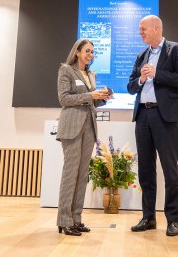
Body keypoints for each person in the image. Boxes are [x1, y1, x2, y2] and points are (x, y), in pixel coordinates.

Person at [127, 15, 178, 236]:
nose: (140, 32)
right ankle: (148, 217)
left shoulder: (175, 49)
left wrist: (157, 74)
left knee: (170, 170)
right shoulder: (141, 55)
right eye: (139, 29)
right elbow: (130, 86)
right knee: (145, 170)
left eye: (143, 29)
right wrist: (142, 80)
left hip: (166, 118)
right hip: (143, 116)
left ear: (156, 28)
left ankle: (172, 220)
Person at [56, 39, 111, 236]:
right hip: (71, 127)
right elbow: (64, 99)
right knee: (70, 174)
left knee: (82, 176)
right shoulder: (66, 70)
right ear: (77, 52)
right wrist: (91, 96)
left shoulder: (91, 74)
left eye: (92, 52)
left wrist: (101, 98)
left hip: (89, 128)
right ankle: (64, 220)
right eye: (87, 51)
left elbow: (91, 104)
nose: (90, 55)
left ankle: (76, 218)